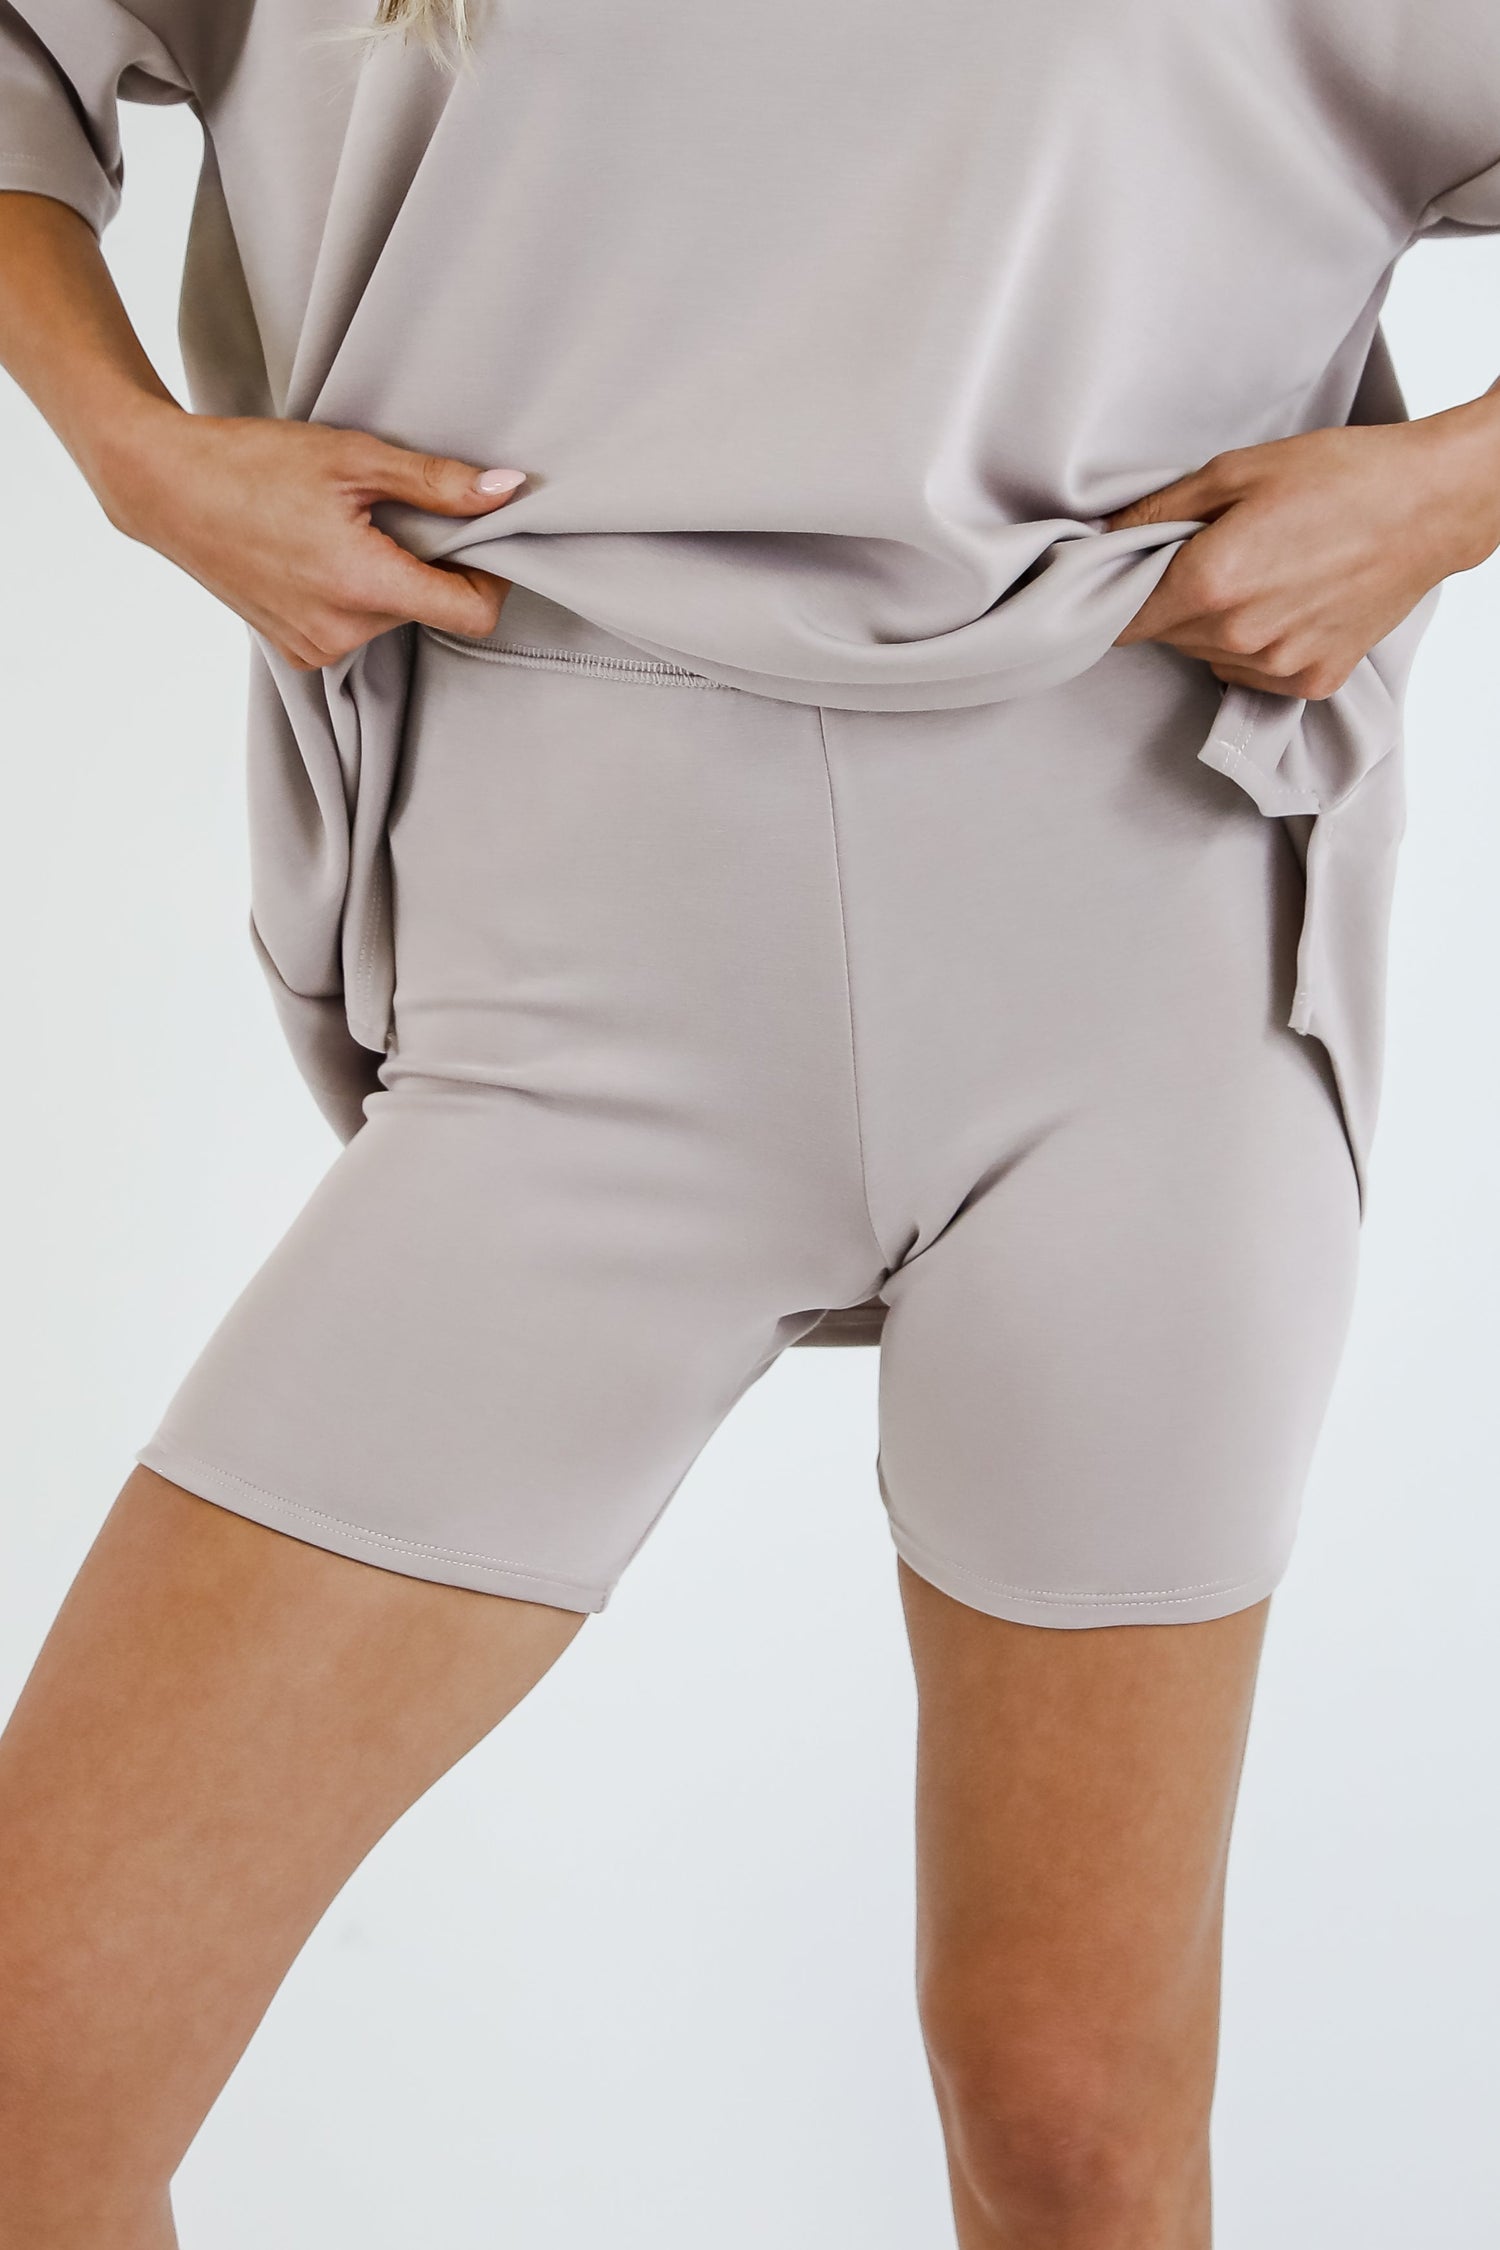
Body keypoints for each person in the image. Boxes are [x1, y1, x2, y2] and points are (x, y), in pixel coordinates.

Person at [0, 2, 1497, 2242]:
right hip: (564, 968)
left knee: (1071, 2109)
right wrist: (128, 449)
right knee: (30, 2071)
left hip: (1139, 942)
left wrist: (1446, 489)